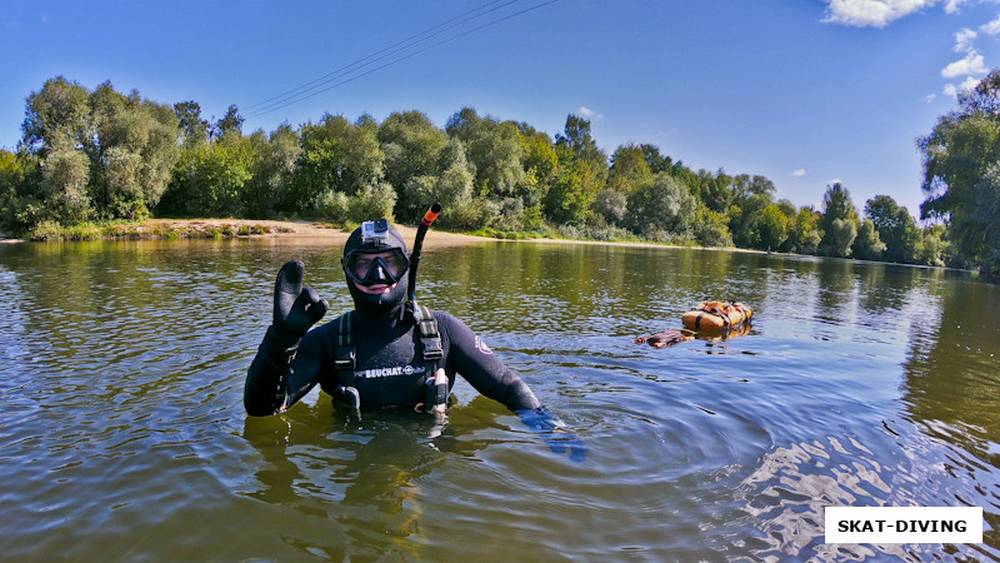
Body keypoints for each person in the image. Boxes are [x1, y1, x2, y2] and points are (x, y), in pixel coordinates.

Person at [244, 219, 585, 461]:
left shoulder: (443, 330)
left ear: (407, 267)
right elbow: (261, 411)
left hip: (431, 461)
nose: (378, 276)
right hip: (352, 465)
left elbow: (507, 385)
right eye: (363, 265)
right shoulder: (327, 341)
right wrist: (280, 341)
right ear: (347, 272)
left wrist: (548, 425)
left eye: (389, 263)